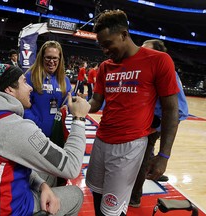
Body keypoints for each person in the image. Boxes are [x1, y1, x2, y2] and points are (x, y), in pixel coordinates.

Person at [0, 63, 90, 216]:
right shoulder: (12, 127)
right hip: (0, 211)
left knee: (48, 174)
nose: (30, 88)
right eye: (24, 82)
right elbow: (71, 167)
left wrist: (42, 185)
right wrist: (79, 118)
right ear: (9, 89)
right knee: (76, 194)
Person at [85, 10, 179, 216]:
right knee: (96, 193)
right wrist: (81, 106)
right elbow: (96, 101)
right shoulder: (104, 67)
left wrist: (163, 155)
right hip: (101, 140)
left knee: (112, 209)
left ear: (124, 34)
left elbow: (172, 109)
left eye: (108, 43)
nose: (105, 50)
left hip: (129, 146)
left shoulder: (159, 60)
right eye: (101, 45)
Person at [129, 39, 189, 208]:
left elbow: (181, 110)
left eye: (147, 51)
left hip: (152, 126)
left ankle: (134, 197)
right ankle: (152, 170)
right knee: (144, 156)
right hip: (141, 123)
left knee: (141, 159)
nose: (142, 54)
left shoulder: (168, 73)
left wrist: (157, 124)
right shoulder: (143, 70)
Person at [24, 41, 72, 186]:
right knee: (34, 177)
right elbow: (23, 105)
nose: (51, 61)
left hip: (56, 137)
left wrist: (70, 107)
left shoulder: (65, 80)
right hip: (34, 135)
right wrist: (37, 124)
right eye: (48, 57)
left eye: (55, 58)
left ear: (60, 59)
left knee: (53, 176)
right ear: (41, 57)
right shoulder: (30, 77)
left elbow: (67, 105)